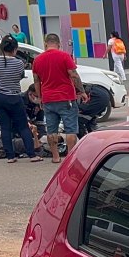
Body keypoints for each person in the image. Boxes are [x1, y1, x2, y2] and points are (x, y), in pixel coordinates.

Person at [0, 36, 41, 163]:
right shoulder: (19, 63)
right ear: (15, 49)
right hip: (14, 97)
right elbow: (19, 76)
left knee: (5, 126)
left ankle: (10, 156)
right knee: (23, 126)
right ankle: (32, 155)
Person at [33, 33, 89, 163]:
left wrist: (40, 97)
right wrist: (82, 91)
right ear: (59, 44)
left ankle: (56, 157)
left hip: (48, 99)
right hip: (66, 98)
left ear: (45, 43)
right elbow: (74, 75)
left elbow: (36, 81)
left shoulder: (37, 60)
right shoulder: (64, 56)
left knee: (51, 129)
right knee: (70, 129)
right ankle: (70, 157)